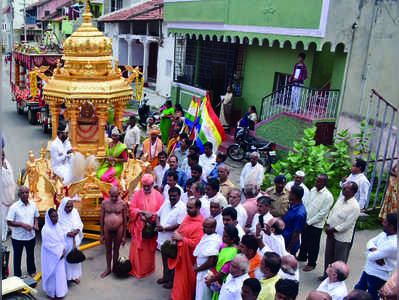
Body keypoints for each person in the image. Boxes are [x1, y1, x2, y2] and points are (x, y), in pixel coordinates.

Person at [320, 182, 360, 281]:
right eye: (344, 188)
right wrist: (328, 225)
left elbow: (347, 224)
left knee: (339, 260)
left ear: (353, 192)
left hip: (342, 238)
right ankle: (326, 276)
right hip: (331, 234)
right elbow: (332, 212)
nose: (344, 190)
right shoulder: (340, 199)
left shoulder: (355, 206)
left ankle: (336, 280)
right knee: (328, 256)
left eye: (347, 189)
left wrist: (333, 229)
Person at [354, 213, 397, 300]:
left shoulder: (393, 244)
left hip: (378, 276)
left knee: (372, 296)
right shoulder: (384, 234)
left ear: (391, 226)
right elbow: (370, 241)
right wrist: (374, 249)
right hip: (368, 270)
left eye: (385, 222)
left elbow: (370, 257)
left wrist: (371, 252)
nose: (382, 223)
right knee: (357, 291)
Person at [169, 199, 204, 300]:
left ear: (198, 208)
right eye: (187, 207)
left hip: (189, 260)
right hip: (181, 257)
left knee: (186, 282)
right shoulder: (188, 217)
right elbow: (181, 229)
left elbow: (197, 244)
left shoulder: (200, 224)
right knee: (178, 280)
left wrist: (182, 239)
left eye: (190, 207)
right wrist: (176, 235)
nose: (187, 210)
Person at [129, 174, 163, 278]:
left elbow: (160, 212)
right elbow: (131, 209)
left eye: (149, 186)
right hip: (138, 228)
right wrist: (141, 213)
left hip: (151, 228)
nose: (146, 188)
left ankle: (148, 269)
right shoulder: (137, 194)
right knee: (138, 251)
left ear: (153, 184)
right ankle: (137, 271)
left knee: (148, 251)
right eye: (144, 186)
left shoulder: (158, 196)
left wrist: (151, 217)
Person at [298, 174, 334, 271]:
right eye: (316, 180)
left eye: (319, 181)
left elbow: (322, 214)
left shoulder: (328, 196)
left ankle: (312, 263)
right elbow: (307, 203)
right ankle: (302, 256)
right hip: (306, 220)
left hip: (316, 225)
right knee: (304, 240)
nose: (316, 183)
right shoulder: (313, 190)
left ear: (325, 183)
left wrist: (309, 222)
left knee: (313, 244)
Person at [156, 187, 187, 289]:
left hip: (172, 240)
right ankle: (165, 277)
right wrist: (158, 225)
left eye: (175, 196)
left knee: (172, 261)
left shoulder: (182, 208)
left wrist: (164, 228)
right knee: (164, 259)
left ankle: (171, 281)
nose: (172, 197)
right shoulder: (166, 203)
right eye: (171, 195)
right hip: (162, 237)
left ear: (179, 196)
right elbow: (158, 215)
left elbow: (179, 225)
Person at [7, 186, 39, 277]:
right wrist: (22, 225)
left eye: (26, 192)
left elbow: (36, 216)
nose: (25, 194)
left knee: (30, 255)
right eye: (23, 193)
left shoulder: (33, 204)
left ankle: (32, 270)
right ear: (19, 195)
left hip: (30, 236)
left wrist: (36, 224)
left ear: (29, 193)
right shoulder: (14, 207)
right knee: (17, 257)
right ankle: (17, 275)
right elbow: (9, 221)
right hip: (18, 238)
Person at [205, 225, 239, 300]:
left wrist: (211, 280)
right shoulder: (224, 245)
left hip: (223, 281)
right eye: (223, 235)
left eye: (226, 236)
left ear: (233, 239)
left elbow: (224, 272)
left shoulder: (233, 251)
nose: (223, 237)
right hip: (216, 278)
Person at [100, 186, 127, 278]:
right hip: (107, 228)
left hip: (119, 228)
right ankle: (108, 269)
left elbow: (124, 221)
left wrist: (124, 236)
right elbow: (102, 218)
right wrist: (101, 234)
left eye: (116, 196)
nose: (114, 198)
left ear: (119, 194)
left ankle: (115, 268)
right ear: (109, 194)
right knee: (108, 249)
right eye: (112, 196)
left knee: (116, 250)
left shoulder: (123, 204)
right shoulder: (104, 203)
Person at [41, 208, 68, 300]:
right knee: (51, 274)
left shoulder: (58, 226)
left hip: (60, 255)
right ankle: (51, 293)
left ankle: (60, 292)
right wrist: (59, 252)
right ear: (48, 217)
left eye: (56, 216)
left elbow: (62, 239)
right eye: (53, 216)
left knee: (60, 274)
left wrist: (63, 249)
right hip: (51, 256)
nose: (55, 218)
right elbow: (48, 245)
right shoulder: (45, 229)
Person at [194, 217, 221, 300]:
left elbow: (211, 262)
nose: (204, 228)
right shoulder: (206, 236)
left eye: (207, 227)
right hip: (200, 272)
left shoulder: (214, 240)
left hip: (206, 273)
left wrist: (198, 269)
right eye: (204, 226)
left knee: (203, 296)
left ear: (213, 228)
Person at [58, 197, 84, 284]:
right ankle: (65, 277)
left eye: (71, 206)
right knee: (65, 260)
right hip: (65, 242)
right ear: (63, 206)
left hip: (74, 241)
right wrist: (67, 233)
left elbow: (80, 224)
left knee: (75, 259)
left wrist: (77, 231)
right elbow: (58, 228)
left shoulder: (75, 212)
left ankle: (74, 276)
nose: (69, 209)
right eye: (67, 207)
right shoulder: (59, 214)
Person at [282, 185, 306, 255]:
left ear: (294, 196)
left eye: (290, 193)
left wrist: (289, 249)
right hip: (284, 240)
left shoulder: (300, 214)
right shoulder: (292, 205)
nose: (288, 194)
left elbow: (296, 234)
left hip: (289, 244)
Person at [1, 148, 16, 241]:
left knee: (10, 214)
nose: (2, 157)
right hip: (2, 195)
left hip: (9, 193)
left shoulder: (6, 162)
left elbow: (11, 177)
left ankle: (10, 229)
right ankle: (3, 235)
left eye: (3, 154)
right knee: (2, 216)